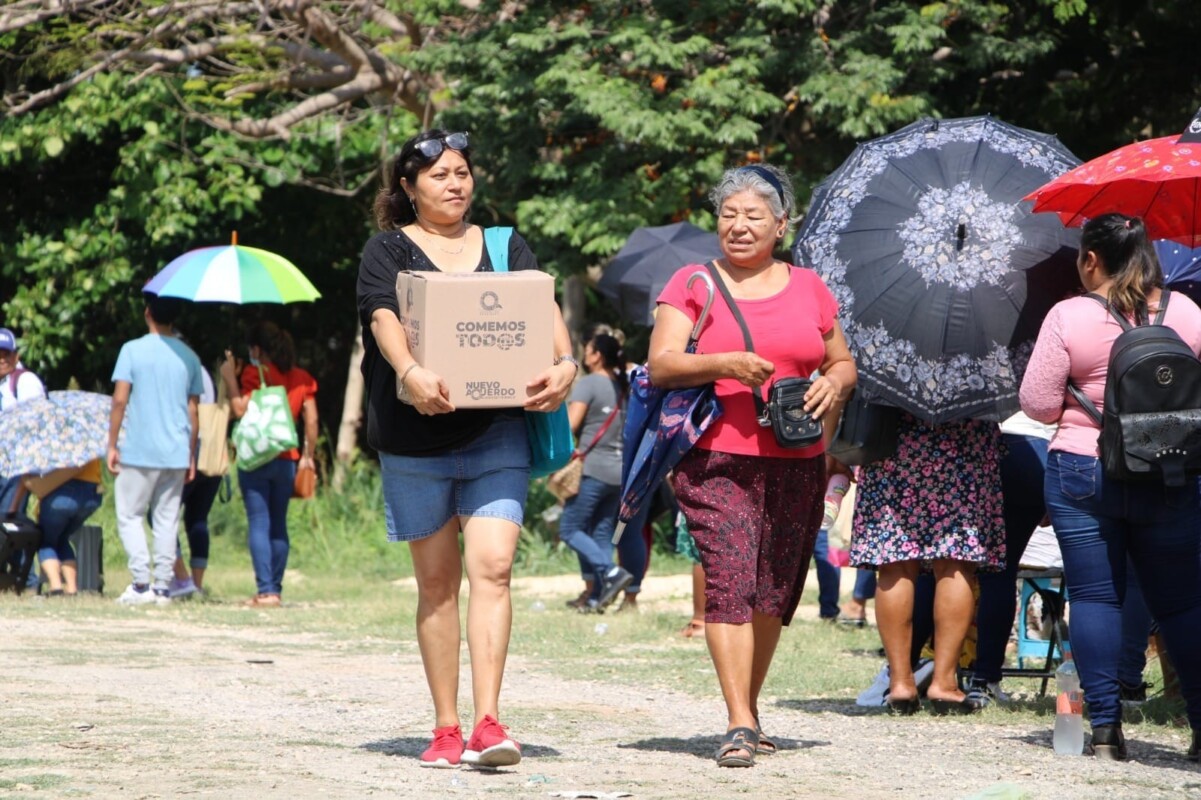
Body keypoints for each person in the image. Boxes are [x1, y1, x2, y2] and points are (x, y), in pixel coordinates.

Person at [356, 129, 576, 770]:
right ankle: (446, 727)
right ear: (408, 187)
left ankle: (488, 720)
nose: (454, 184)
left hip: (496, 433)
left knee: (495, 568)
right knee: (437, 584)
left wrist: (563, 365)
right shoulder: (387, 249)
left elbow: (543, 307)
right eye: (438, 175)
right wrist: (409, 372)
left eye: (461, 172)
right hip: (414, 439)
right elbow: (380, 315)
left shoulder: (505, 245)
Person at [650, 164, 856, 767]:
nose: (738, 227)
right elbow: (661, 364)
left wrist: (835, 387)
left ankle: (750, 709)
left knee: (773, 591)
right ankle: (738, 718)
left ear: (781, 225)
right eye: (728, 215)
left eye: (753, 217)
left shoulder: (810, 287)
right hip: (716, 458)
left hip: (797, 458)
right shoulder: (693, 282)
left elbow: (841, 361)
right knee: (730, 577)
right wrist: (727, 364)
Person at [1020, 213, 1201, 762]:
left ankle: (1103, 730)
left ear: (1091, 259)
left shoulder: (1069, 315)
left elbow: (1037, 403)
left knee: (1096, 596)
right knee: (1183, 604)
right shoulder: (1186, 311)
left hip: (1083, 467)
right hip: (1169, 471)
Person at [849, 412, 1005, 715]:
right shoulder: (977, 361)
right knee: (956, 563)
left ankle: (900, 682)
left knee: (894, 562)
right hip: (965, 443)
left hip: (891, 439)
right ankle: (944, 683)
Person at [107, 294, 203, 606]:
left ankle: (139, 583)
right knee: (166, 519)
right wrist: (191, 454)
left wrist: (111, 444)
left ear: (147, 313)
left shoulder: (132, 350)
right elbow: (193, 412)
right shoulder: (189, 356)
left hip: (140, 448)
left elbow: (120, 399)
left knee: (130, 514)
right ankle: (163, 587)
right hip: (175, 450)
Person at [219, 322, 317, 608]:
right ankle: (275, 588)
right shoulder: (302, 378)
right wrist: (308, 455)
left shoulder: (254, 373)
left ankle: (265, 591)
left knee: (259, 523)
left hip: (256, 458)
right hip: (287, 459)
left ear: (257, 349)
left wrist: (229, 378)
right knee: (278, 525)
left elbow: (239, 409)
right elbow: (311, 420)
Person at [558, 333, 634, 612]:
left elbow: (570, 426)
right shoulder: (623, 387)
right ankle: (598, 596)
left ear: (596, 356)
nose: (583, 355)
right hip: (619, 473)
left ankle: (611, 572)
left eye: (586, 350)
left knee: (570, 528)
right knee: (601, 533)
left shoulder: (589, 384)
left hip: (593, 470)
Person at [170, 365, 223, 598]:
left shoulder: (176, 370)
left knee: (161, 514)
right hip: (213, 446)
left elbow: (187, 412)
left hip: (188, 446)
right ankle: (197, 584)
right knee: (197, 518)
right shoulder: (203, 371)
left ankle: (181, 578)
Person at [0, 327, 47, 586]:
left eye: (7, 354)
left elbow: (35, 425)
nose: (2, 359)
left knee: (9, 521)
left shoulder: (26, 382)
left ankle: (27, 581)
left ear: (16, 356)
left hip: (16, 466)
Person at [20, 460, 104, 595]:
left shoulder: (58, 441)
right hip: (92, 493)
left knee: (46, 541)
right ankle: (72, 588)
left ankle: (56, 587)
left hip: (62, 490)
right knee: (62, 538)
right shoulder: (90, 442)